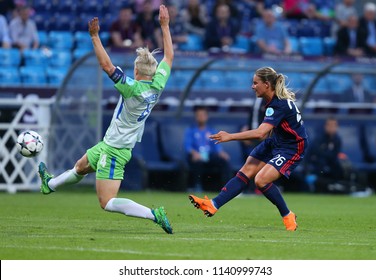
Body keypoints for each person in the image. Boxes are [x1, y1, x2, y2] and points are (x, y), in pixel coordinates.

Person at [37, 5, 174, 234]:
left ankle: (153, 214)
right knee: (80, 167)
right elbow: (169, 56)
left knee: (107, 202)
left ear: (138, 72)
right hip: (111, 143)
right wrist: (165, 26)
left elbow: (106, 66)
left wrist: (94, 36)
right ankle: (49, 185)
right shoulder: (158, 84)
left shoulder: (132, 88)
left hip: (115, 149)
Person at [189, 67, 308, 231]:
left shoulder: (278, 105)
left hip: (292, 147)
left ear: (266, 84)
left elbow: (260, 133)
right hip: (276, 141)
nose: (252, 86)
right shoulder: (272, 102)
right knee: (246, 171)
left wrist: (230, 136)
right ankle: (213, 204)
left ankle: (288, 215)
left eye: (255, 83)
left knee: (261, 180)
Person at [184, 106, 231, 192]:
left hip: (209, 155)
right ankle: (197, 186)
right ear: (196, 117)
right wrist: (194, 153)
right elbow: (188, 146)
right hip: (197, 156)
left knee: (224, 161)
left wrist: (221, 153)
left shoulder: (211, 130)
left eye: (203, 115)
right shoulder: (190, 130)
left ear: (207, 117)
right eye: (199, 115)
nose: (201, 117)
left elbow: (217, 146)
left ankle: (227, 188)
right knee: (196, 161)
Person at [305, 117, 347, 193]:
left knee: (338, 167)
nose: (332, 128)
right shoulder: (319, 139)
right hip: (319, 166)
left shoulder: (337, 139)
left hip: (331, 165)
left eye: (334, 126)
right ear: (326, 126)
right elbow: (315, 153)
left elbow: (334, 155)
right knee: (321, 163)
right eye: (330, 125)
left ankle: (337, 186)